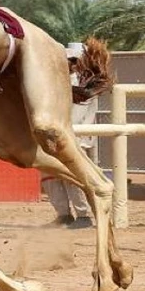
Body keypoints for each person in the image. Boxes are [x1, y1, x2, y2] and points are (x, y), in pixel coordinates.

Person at [43, 42, 97, 228]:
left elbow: (79, 113)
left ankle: (83, 215)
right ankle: (63, 214)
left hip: (76, 136)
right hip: (57, 135)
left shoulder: (86, 83)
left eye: (73, 60)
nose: (69, 63)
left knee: (72, 176)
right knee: (50, 174)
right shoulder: (59, 80)